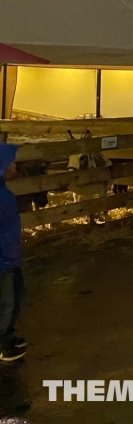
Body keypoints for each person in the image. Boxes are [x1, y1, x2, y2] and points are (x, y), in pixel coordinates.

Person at [0, 144, 26, 362]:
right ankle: (5, 345)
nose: (15, 165)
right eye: (11, 163)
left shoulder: (4, 193)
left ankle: (8, 335)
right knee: (5, 304)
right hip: (3, 261)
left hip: (9, 256)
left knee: (14, 299)